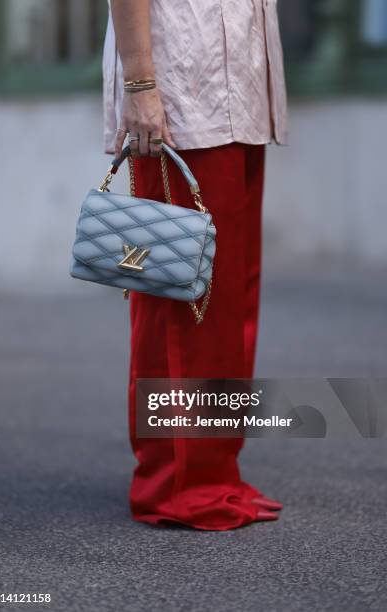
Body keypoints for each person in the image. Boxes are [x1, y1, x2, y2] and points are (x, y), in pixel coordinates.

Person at [103, 0, 288, 530]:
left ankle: (215, 471)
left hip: (243, 90)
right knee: (180, 297)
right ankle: (175, 483)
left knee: (229, 299)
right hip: (182, 94)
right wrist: (140, 87)